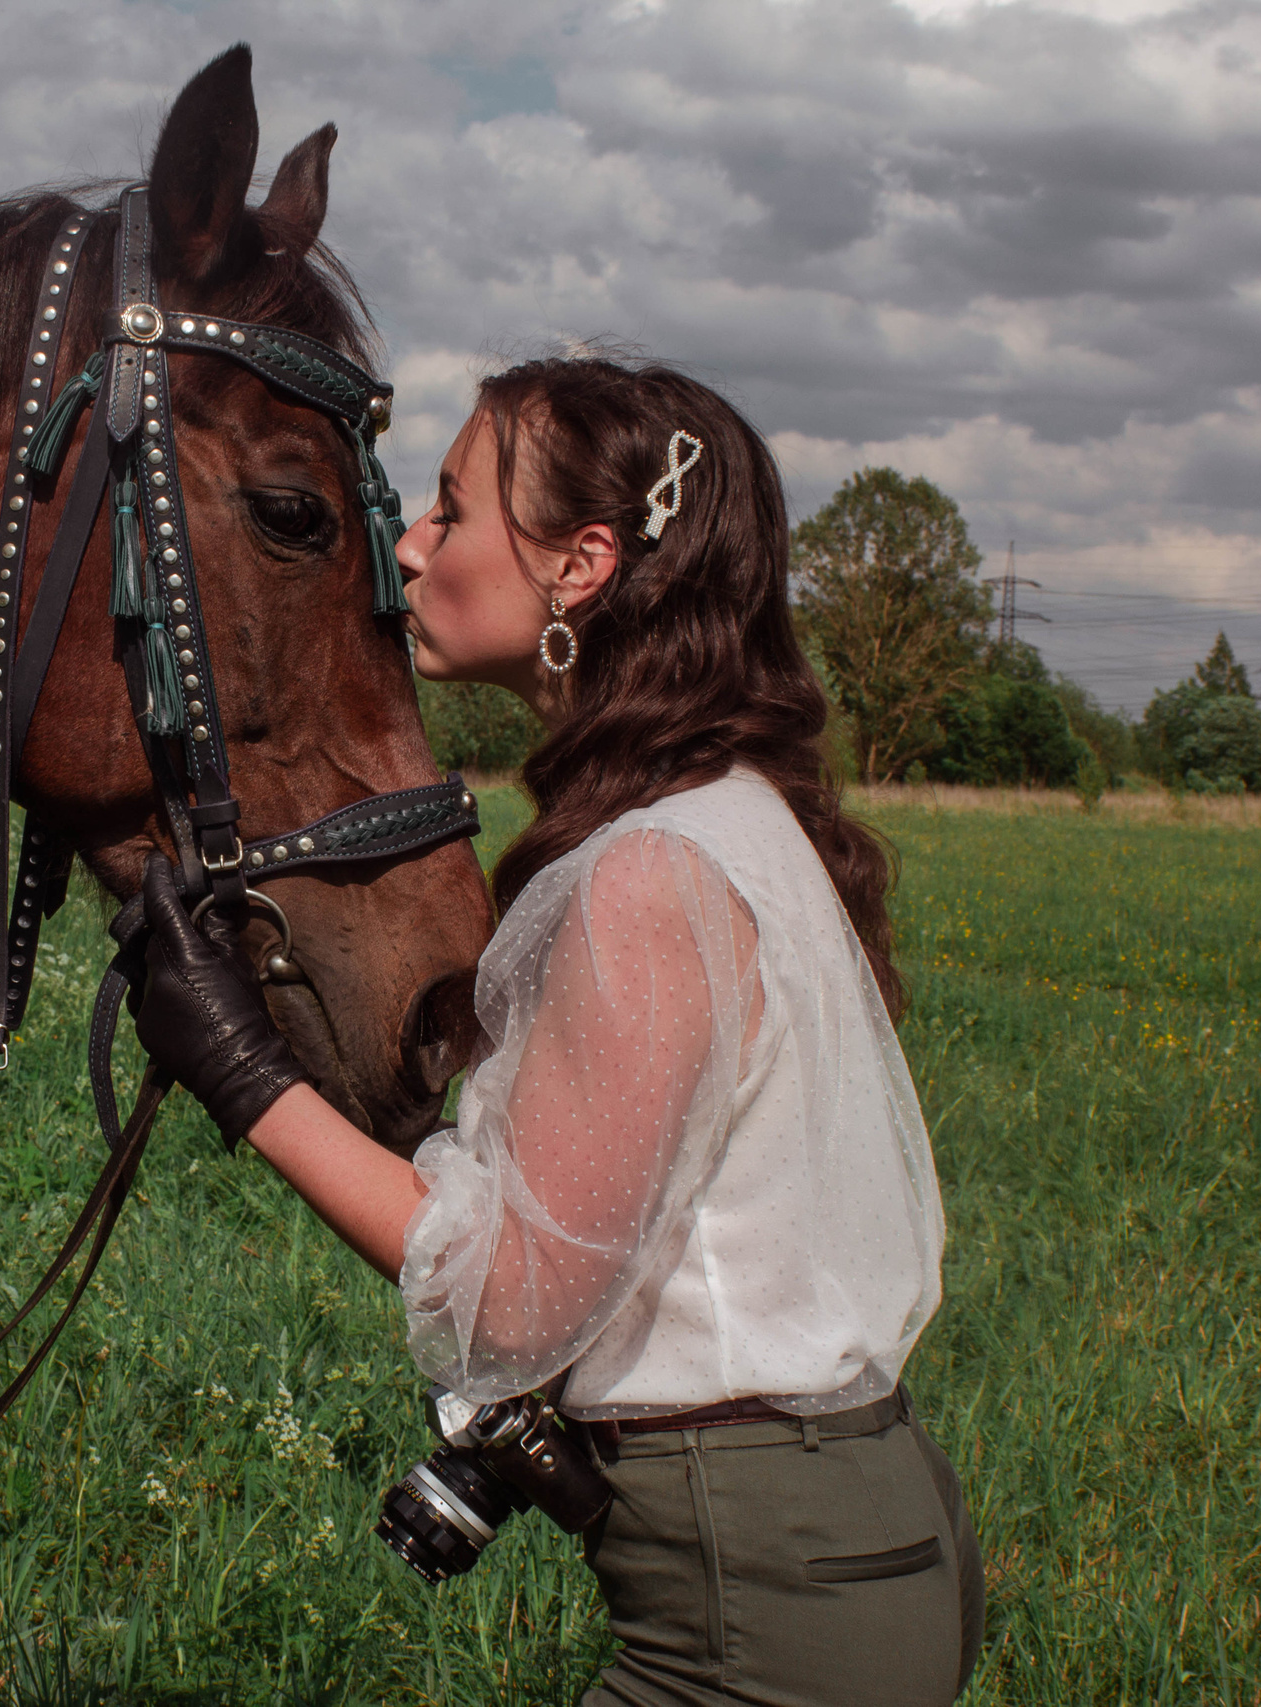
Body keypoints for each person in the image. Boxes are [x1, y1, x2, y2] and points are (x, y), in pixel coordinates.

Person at [126, 355, 984, 1707]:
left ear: (582, 565)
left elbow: (518, 1297)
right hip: (830, 1555)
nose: (410, 546)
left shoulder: (651, 870)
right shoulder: (734, 816)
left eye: (452, 510)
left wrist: (242, 1071)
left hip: (765, 1613)